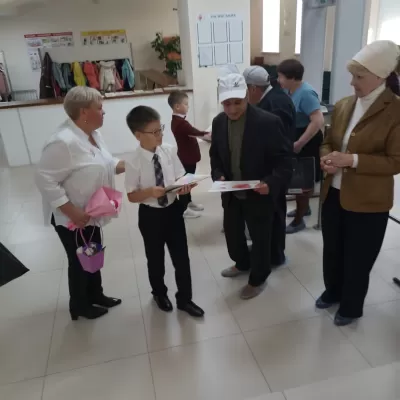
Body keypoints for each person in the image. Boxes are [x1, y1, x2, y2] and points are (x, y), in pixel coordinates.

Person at [318, 40, 400, 326]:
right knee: (332, 250)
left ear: (381, 76)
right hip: (334, 193)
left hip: (369, 201)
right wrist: (327, 158)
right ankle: (332, 291)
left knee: (358, 257)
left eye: (359, 76)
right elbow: (328, 141)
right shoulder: (344, 105)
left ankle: (351, 307)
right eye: (352, 75)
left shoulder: (395, 111)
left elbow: (395, 161)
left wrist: (351, 160)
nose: (352, 82)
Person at [35, 86, 125, 321]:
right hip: (72, 217)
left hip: (92, 209)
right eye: (100, 108)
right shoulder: (62, 142)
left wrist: (126, 165)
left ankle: (96, 294)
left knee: (93, 253)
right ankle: (79, 305)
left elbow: (105, 161)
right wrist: (71, 210)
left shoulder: (92, 134)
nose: (104, 112)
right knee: (79, 261)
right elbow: (44, 179)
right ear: (84, 111)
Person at [210, 73, 292, 299]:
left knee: (261, 238)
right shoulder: (219, 122)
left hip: (259, 195)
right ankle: (242, 263)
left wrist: (271, 182)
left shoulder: (268, 122)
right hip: (231, 194)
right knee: (233, 236)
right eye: (227, 104)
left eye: (237, 102)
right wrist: (218, 175)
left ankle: (258, 278)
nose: (232, 109)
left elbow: (285, 161)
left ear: (247, 97)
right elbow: (215, 156)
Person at [125, 105, 204, 318]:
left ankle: (185, 298)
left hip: (173, 210)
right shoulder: (133, 161)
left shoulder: (168, 150)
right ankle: (159, 293)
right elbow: (131, 196)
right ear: (138, 135)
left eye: (160, 129)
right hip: (150, 215)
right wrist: (149, 192)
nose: (160, 135)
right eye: (154, 132)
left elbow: (180, 176)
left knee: (181, 257)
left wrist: (185, 185)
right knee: (155, 258)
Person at [244, 66, 296, 267]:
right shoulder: (273, 98)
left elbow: (279, 145)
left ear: (253, 88)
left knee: (274, 214)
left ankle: (275, 255)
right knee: (269, 214)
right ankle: (267, 249)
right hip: (270, 169)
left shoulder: (274, 104)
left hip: (276, 171)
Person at [277, 59, 325, 233]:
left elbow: (318, 121)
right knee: (297, 178)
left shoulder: (306, 93)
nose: (278, 80)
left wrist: (299, 143)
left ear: (292, 78)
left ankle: (299, 221)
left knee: (303, 181)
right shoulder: (289, 90)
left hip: (307, 140)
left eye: (281, 76)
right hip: (296, 135)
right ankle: (304, 208)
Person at [168, 90, 209, 219]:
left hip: (188, 156)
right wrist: (208, 134)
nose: (188, 106)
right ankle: (184, 209)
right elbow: (194, 132)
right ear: (177, 106)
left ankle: (188, 202)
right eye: (186, 104)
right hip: (186, 158)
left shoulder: (178, 120)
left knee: (189, 181)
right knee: (185, 183)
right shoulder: (180, 123)